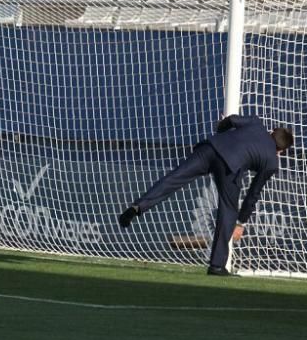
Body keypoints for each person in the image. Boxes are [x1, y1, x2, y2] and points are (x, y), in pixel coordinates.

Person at [118, 114, 293, 276]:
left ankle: (138, 206)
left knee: (174, 178)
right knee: (229, 211)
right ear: (281, 150)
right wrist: (241, 221)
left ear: (271, 132)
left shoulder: (256, 123)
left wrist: (221, 130)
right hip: (230, 167)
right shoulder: (272, 162)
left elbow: (231, 120)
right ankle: (216, 265)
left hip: (211, 147)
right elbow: (253, 193)